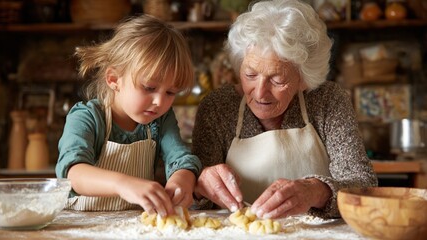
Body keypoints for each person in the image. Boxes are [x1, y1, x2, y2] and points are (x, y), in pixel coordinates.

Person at [191, 0, 377, 219]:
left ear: (304, 79)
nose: (260, 93)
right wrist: (200, 183)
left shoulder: (328, 101)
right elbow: (198, 200)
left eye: (277, 80)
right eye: (250, 75)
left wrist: (317, 191)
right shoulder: (217, 107)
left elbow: (364, 186)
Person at [55, 15, 202, 216]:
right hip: (82, 224)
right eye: (149, 87)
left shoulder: (160, 120)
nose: (160, 102)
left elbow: (180, 158)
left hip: (132, 228)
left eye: (170, 92)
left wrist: (182, 179)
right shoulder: (87, 118)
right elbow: (73, 173)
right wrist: (122, 184)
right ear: (114, 79)